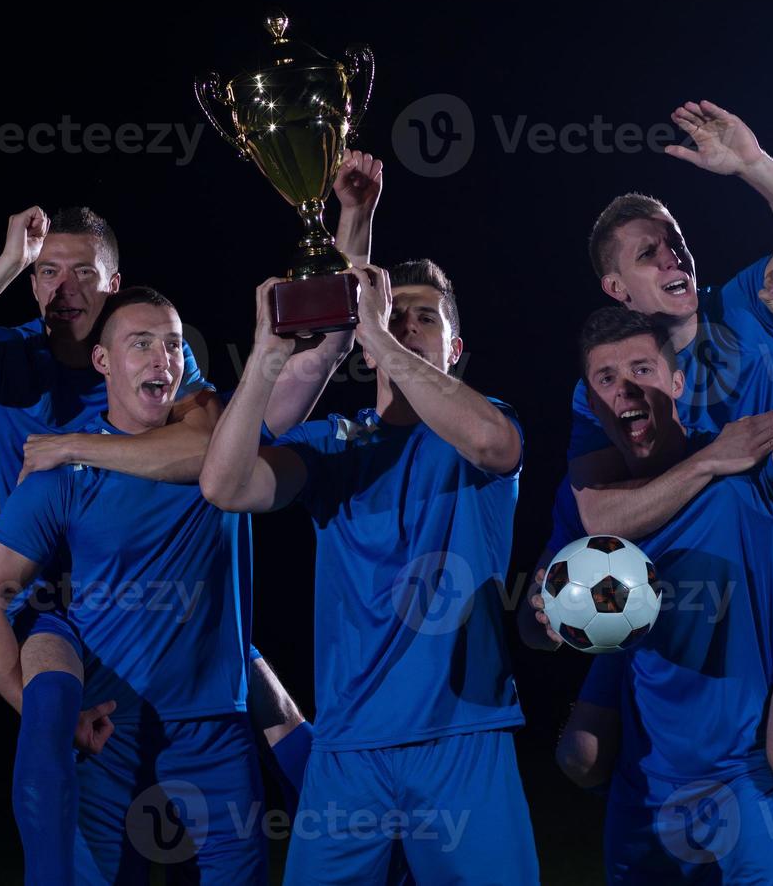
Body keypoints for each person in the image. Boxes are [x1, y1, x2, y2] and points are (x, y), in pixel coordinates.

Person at [0, 151, 383, 878]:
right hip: (56, 601)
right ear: (103, 363)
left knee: (262, 694)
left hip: (174, 636)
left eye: (83, 272)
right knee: (53, 699)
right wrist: (7, 263)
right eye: (47, 272)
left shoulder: (163, 382)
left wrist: (69, 445)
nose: (63, 288)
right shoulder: (20, 366)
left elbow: (260, 412)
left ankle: (371, 854)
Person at [545, 101, 773, 883]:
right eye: (646, 250)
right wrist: (709, 461)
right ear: (616, 286)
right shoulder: (603, 387)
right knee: (592, 757)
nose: (671, 255)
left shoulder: (744, 311)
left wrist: (752, 165)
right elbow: (600, 517)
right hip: (688, 595)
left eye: (675, 241)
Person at [201, 260, 539, 884]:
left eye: (424, 317)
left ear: (455, 349)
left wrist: (380, 336)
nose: (405, 323)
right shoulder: (335, 443)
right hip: (347, 750)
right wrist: (267, 355)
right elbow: (224, 484)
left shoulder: (480, 428)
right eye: (393, 311)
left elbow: (497, 446)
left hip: (461, 739)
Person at [0, 287, 271, 883]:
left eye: (173, 345)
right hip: (109, 731)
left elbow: (305, 373)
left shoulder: (218, 447)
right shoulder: (61, 478)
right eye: (141, 344)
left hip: (215, 733)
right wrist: (46, 715)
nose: (162, 359)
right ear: (102, 363)